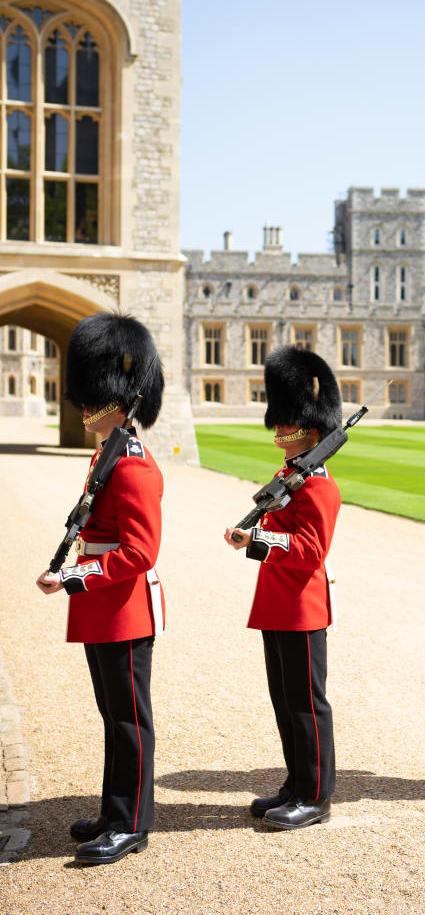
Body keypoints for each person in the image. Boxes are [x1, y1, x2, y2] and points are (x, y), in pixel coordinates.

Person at [36, 312, 165, 864]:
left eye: (95, 399)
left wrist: (74, 576)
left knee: (129, 718)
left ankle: (132, 822)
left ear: (121, 398)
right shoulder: (106, 453)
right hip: (103, 605)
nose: (84, 408)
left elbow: (139, 552)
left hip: (124, 606)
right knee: (111, 715)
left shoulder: (133, 465)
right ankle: (115, 810)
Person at [224, 344, 341, 830]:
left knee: (306, 703)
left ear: (310, 429)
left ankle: (315, 796)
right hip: (277, 602)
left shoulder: (317, 484)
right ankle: (296, 782)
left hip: (302, 605)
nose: (278, 429)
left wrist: (258, 540)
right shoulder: (289, 476)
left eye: (286, 422)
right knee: (283, 700)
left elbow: (311, 550)